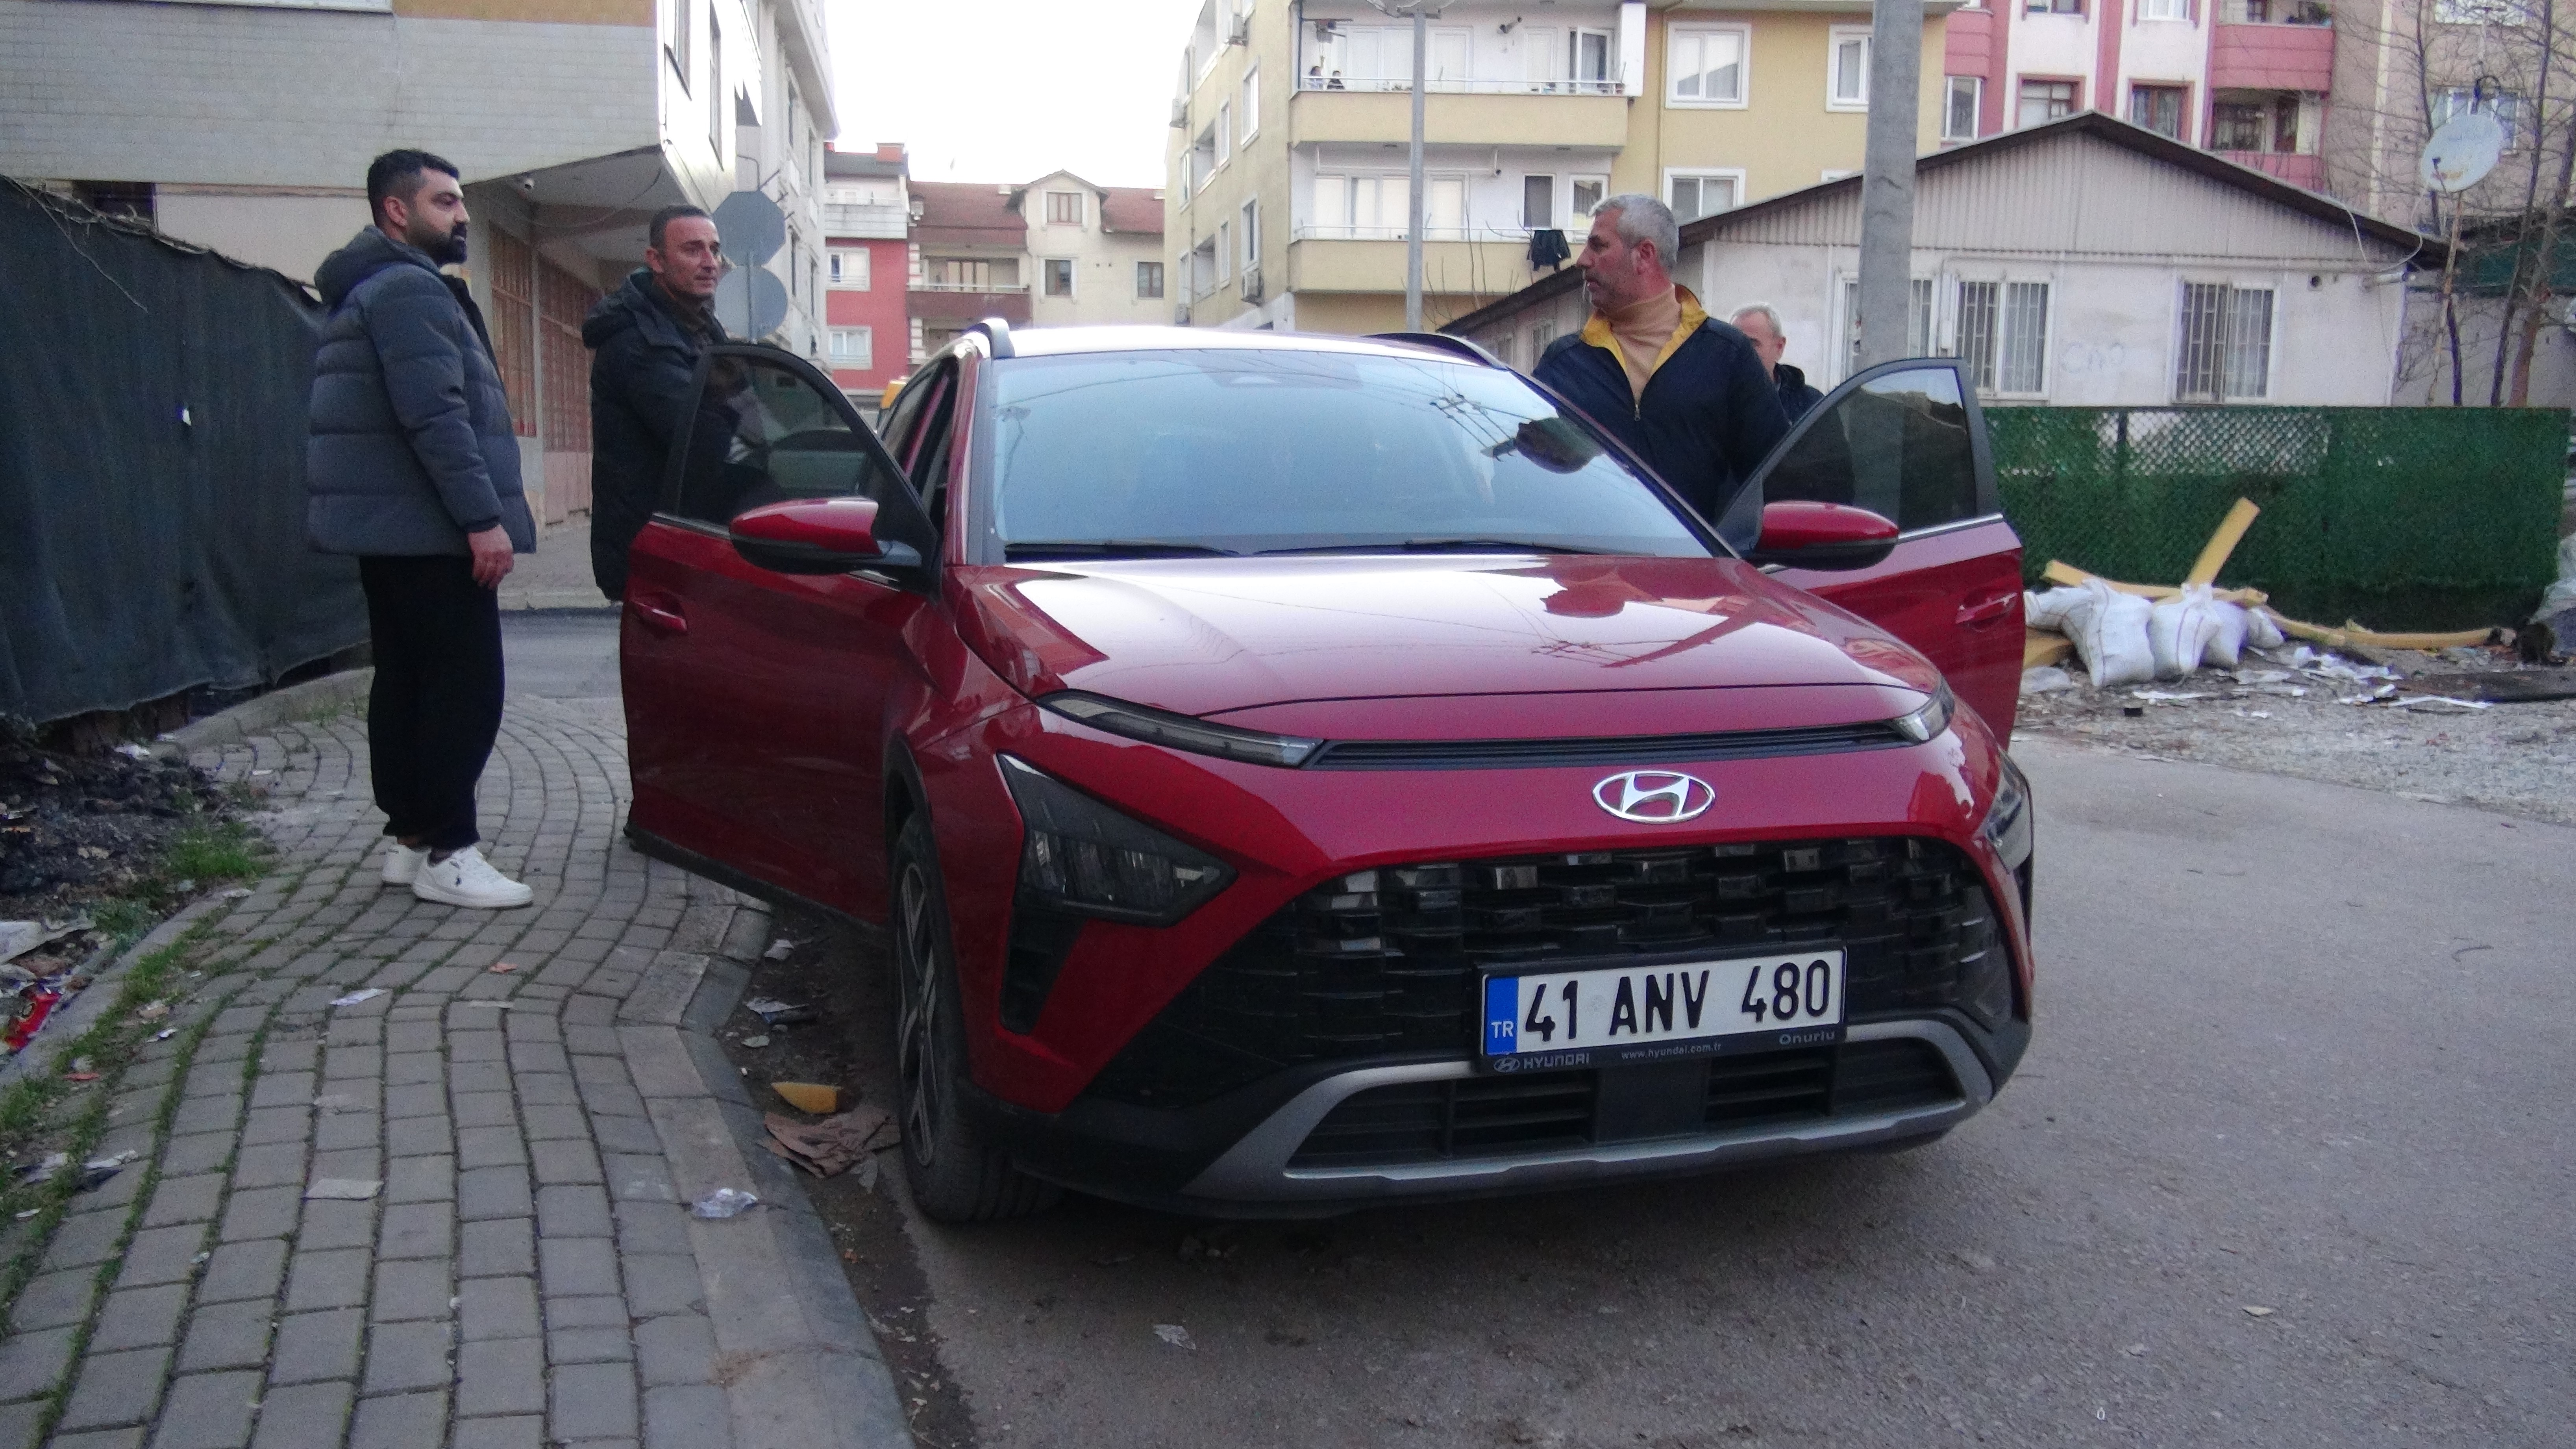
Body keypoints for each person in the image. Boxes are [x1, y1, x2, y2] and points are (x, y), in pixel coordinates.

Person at [306, 149, 537, 909]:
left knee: (407, 684)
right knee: (464, 691)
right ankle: (449, 851)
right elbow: (436, 414)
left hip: (394, 531)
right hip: (432, 530)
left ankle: (409, 841)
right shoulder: (408, 289)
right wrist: (482, 519)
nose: (462, 215)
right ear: (396, 212)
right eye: (445, 202)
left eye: (461, 201)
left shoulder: (370, 288)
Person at [1534, 194, 1788, 549]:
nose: (1583, 260)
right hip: (1586, 574)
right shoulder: (1564, 362)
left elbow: (1779, 484)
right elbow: (1525, 482)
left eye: (1599, 246)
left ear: (1644, 255)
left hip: (1696, 576)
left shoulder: (1726, 355)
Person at [585, 205, 730, 603]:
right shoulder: (640, 342)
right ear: (656, 260)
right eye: (693, 250)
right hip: (659, 551)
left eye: (715, 250)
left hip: (686, 539)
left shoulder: (698, 328)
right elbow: (706, 437)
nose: (709, 262)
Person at [1730, 303, 1824, 422]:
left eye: (1752, 344)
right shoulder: (1713, 400)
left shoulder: (1811, 405)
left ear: (1779, 347)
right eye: (1734, 344)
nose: (1741, 352)